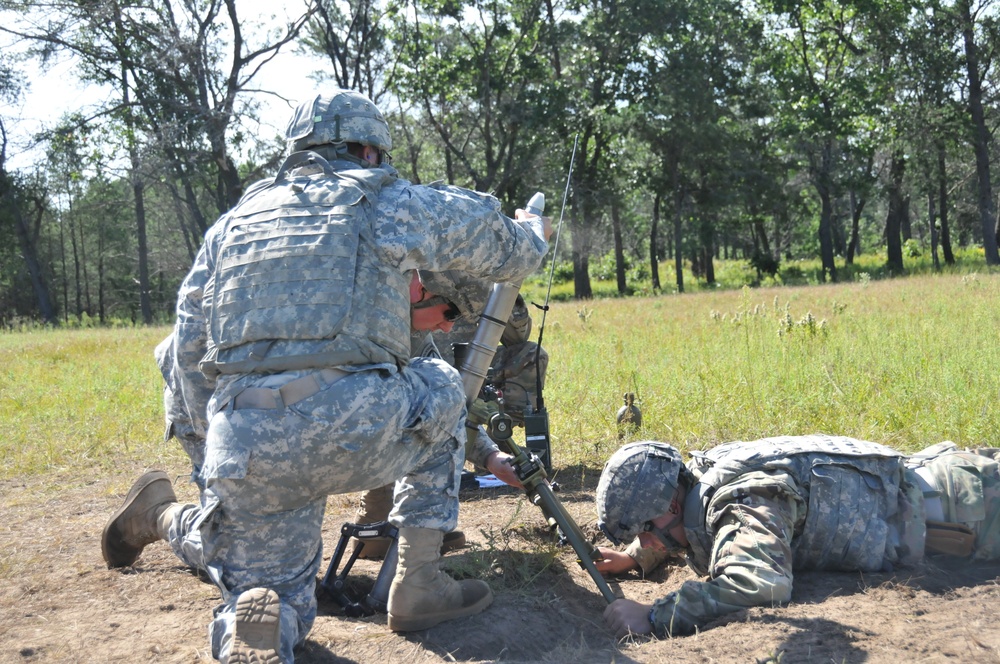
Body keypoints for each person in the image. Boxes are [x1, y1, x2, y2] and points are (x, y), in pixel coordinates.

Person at [101, 89, 550, 664]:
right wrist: (531, 231)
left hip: (245, 441)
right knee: (439, 381)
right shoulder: (388, 203)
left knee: (280, 593)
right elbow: (508, 249)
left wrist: (208, 462)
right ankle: (418, 584)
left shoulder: (230, 227)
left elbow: (185, 353)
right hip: (357, 421)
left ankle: (255, 617)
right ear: (369, 152)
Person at [593, 435, 1000, 639]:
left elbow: (759, 583)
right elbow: (686, 531)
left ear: (671, 507)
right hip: (947, 484)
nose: (648, 541)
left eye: (646, 531)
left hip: (973, 510)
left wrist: (653, 616)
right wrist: (636, 556)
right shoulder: (703, 476)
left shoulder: (739, 502)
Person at [352, 290, 546, 559]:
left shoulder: (418, 335)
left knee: (420, 416)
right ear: (419, 292)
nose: (450, 327)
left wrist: (491, 458)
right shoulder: (360, 322)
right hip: (315, 442)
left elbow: (442, 411)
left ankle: (395, 531)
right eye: (449, 312)